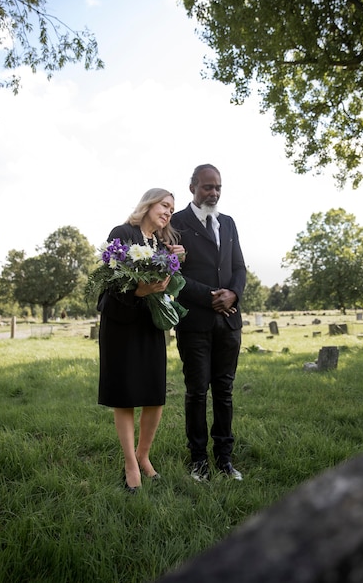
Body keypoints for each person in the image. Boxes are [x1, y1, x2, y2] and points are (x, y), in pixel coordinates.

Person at [97, 188, 185, 493]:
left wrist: (175, 266)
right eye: (165, 205)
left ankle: (143, 455)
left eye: (172, 210)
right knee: (125, 395)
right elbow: (111, 283)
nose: (169, 212)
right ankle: (130, 462)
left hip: (149, 325)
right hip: (121, 323)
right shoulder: (122, 233)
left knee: (154, 393)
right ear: (148, 204)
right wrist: (140, 292)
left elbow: (167, 288)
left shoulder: (163, 246)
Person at [171, 164, 246, 481]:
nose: (213, 192)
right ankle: (198, 460)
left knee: (225, 393)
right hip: (195, 322)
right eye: (206, 187)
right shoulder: (176, 223)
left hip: (229, 323)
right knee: (197, 393)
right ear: (193, 188)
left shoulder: (228, 223)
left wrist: (233, 294)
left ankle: (225, 460)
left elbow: (240, 268)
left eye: (217, 187)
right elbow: (172, 274)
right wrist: (210, 296)